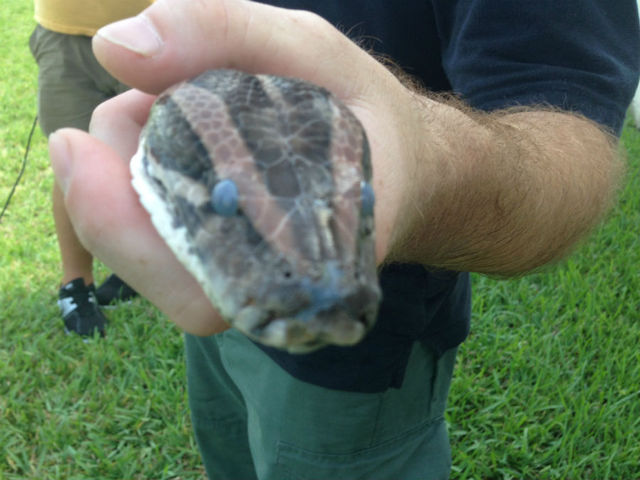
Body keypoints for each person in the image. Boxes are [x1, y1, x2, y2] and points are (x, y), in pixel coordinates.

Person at [48, 0, 639, 478]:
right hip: (218, 288)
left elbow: (568, 126)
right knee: (227, 449)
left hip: (360, 352)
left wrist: (420, 159)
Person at [30, 0, 149, 337]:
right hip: (64, 36)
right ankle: (76, 284)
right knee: (72, 162)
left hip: (153, 30)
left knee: (151, 156)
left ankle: (136, 268)